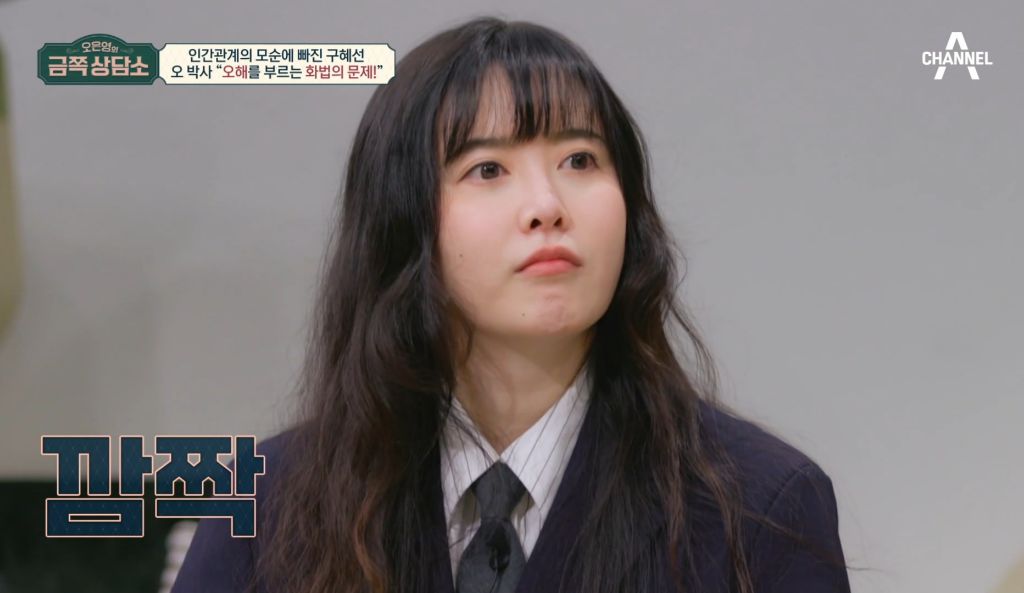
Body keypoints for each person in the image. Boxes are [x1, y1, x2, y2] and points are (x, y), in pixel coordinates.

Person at [171, 16, 852, 593]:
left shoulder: (761, 505)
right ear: (402, 221)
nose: (547, 206)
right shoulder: (266, 506)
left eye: (580, 160)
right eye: (488, 169)